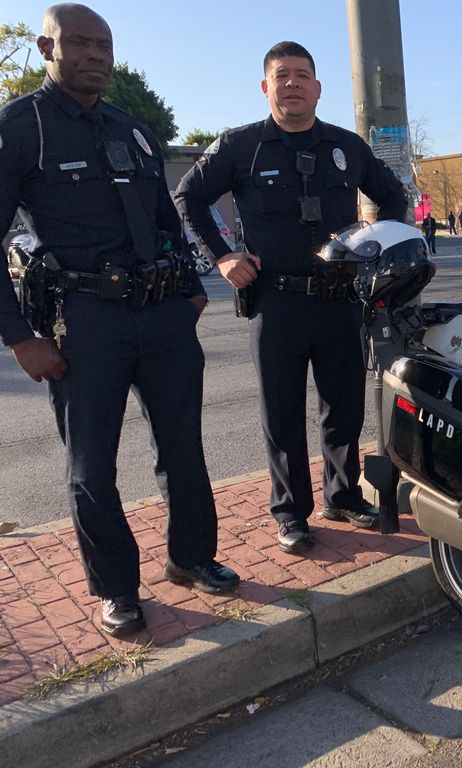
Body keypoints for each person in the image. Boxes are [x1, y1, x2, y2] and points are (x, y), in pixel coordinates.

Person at [0, 3, 238, 637]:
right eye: (79, 43)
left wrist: (190, 292)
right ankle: (117, 590)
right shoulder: (23, 128)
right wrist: (21, 339)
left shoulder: (133, 130)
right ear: (47, 50)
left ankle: (191, 559)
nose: (96, 54)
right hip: (84, 322)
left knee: (184, 448)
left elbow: (166, 218)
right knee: (91, 465)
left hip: (162, 316)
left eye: (104, 44)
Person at [174, 42, 407, 555]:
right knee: (281, 412)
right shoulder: (240, 146)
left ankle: (342, 495)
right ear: (266, 87)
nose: (293, 84)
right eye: (283, 76)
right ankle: (290, 512)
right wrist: (221, 256)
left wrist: (374, 244)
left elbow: (395, 197)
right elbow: (187, 196)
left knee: (343, 408)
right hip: (274, 302)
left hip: (340, 300)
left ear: (318, 88)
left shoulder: (348, 147)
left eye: (303, 75)